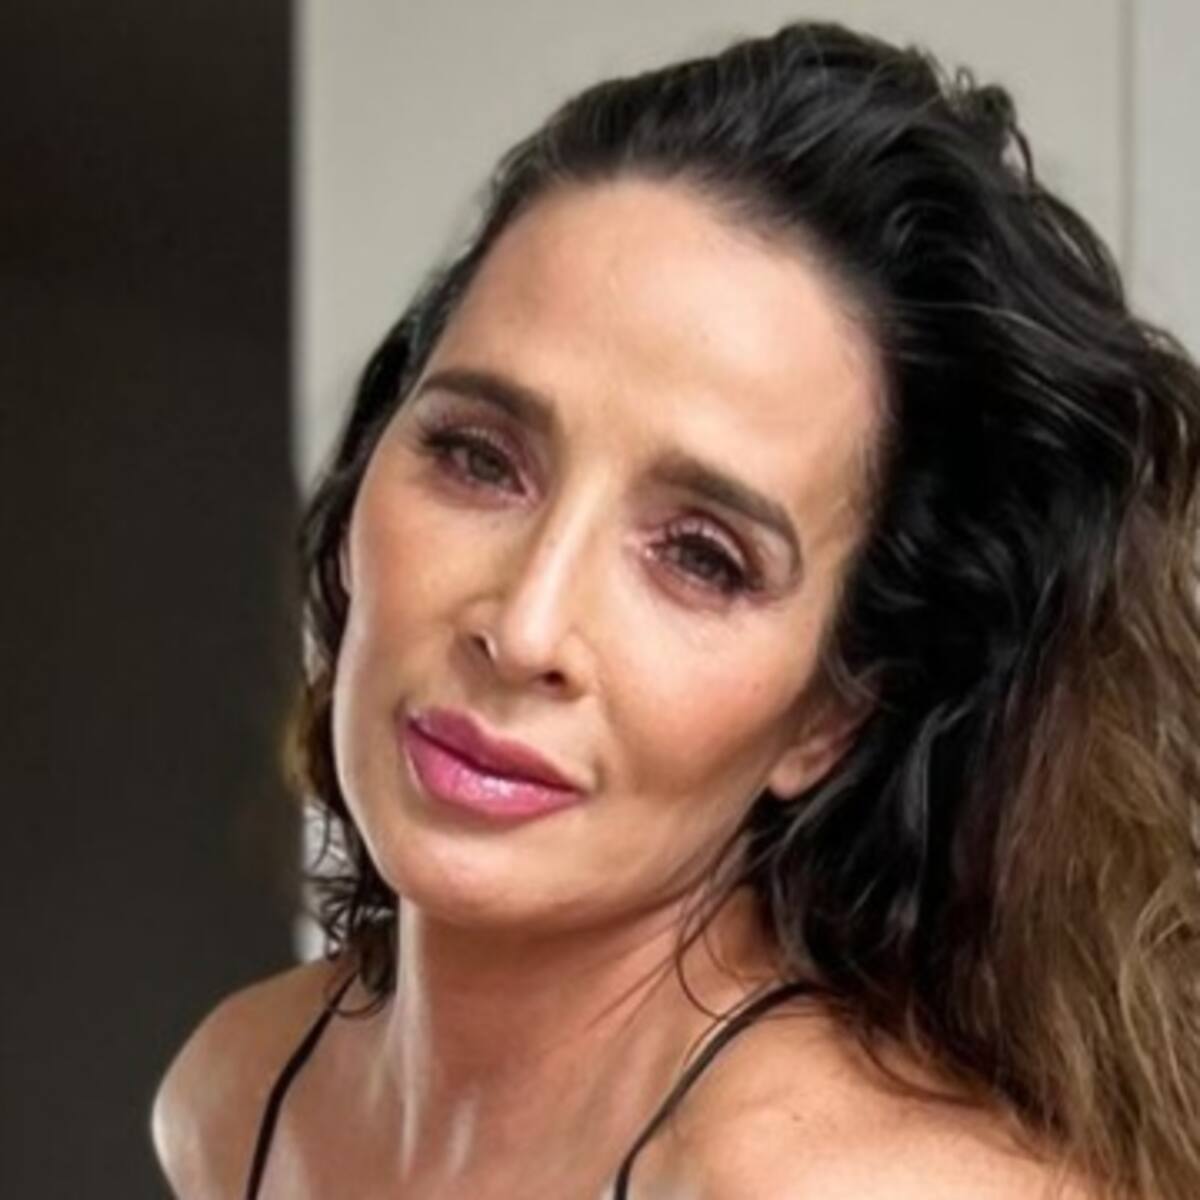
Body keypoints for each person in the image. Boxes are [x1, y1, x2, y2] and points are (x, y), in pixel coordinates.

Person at [150, 19, 1200, 1200]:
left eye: (701, 558)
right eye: (478, 458)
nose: (525, 628)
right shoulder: (240, 1099)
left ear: (832, 713)